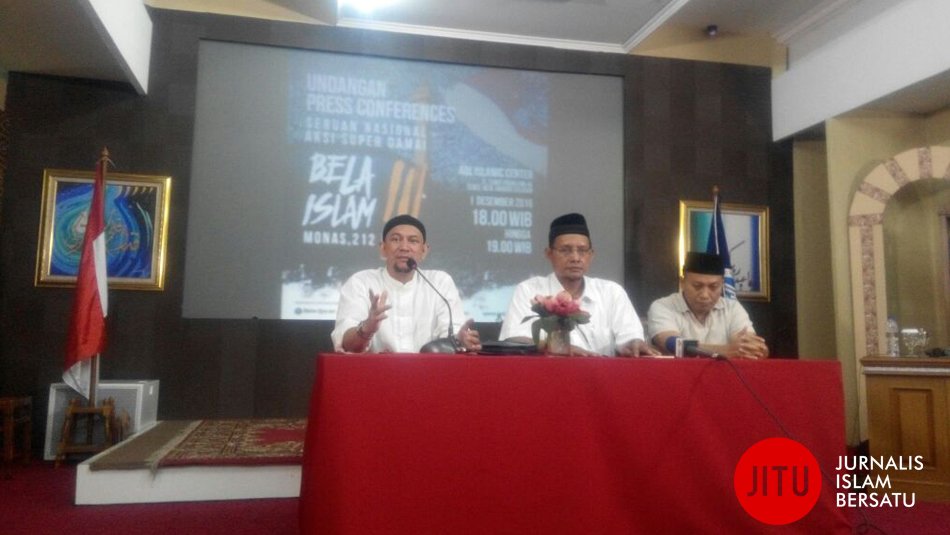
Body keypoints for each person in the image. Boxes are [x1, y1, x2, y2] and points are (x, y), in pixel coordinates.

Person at [498, 213, 657, 356]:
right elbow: (515, 340)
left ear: (591, 255)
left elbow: (630, 336)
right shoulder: (529, 290)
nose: (575, 258)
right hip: (548, 375)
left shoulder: (611, 292)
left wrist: (634, 343)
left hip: (602, 376)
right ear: (549, 254)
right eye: (565, 250)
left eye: (582, 250)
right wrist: (556, 348)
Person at [331, 214, 481, 353]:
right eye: (396, 239)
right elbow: (346, 344)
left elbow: (452, 336)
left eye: (413, 241)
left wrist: (459, 340)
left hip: (430, 371)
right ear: (383, 248)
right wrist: (367, 328)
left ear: (424, 250)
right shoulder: (361, 282)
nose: (404, 247)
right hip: (375, 371)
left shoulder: (440, 282)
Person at [647, 251, 768, 359]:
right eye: (697, 286)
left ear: (722, 284)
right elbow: (672, 344)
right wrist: (725, 351)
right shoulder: (663, 306)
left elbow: (752, 347)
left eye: (713, 287)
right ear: (682, 283)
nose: (705, 294)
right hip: (677, 374)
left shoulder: (732, 308)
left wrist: (755, 349)